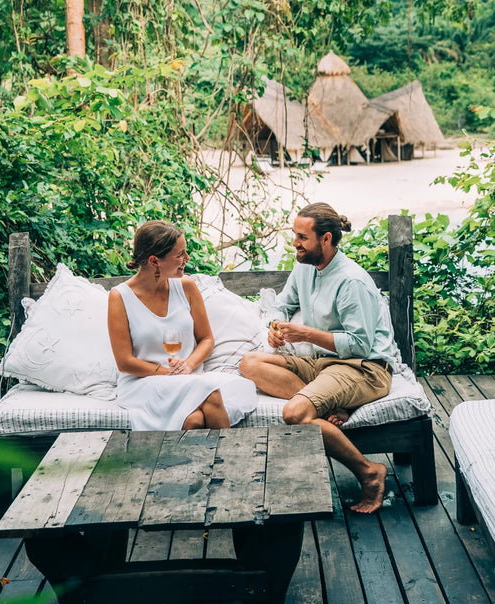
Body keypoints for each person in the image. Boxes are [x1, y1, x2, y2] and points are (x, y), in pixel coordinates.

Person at [239, 203, 396, 513]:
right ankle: (329, 406)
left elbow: (361, 345)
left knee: (295, 414)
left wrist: (307, 335)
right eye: (295, 235)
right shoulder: (304, 268)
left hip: (364, 368)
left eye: (302, 237)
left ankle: (370, 472)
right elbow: (283, 306)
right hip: (323, 364)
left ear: (326, 239)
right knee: (249, 363)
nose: (295, 243)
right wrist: (275, 328)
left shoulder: (352, 281)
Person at [108, 220, 257, 431]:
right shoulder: (120, 297)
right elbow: (125, 362)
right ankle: (235, 460)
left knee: (194, 420)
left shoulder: (186, 286)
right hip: (144, 383)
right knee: (211, 393)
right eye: (180, 255)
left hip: (188, 378)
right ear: (154, 261)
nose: (187, 259)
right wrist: (169, 374)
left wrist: (187, 365)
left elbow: (207, 339)